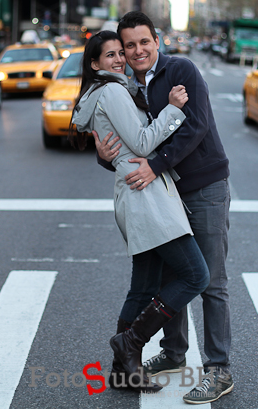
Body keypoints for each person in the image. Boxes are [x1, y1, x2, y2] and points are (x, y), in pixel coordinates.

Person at [93, 11, 233, 404]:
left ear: (157, 41)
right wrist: (104, 156)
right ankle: (173, 353)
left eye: (144, 42)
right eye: (129, 46)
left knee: (210, 281)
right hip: (163, 194)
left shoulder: (181, 70)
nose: (137, 51)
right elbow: (129, 140)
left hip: (204, 187)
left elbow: (196, 125)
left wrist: (155, 165)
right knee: (175, 277)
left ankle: (219, 369)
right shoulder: (125, 87)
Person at [69, 31, 210, 393]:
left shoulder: (103, 91)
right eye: (111, 55)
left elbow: (123, 144)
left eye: (121, 52)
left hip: (132, 191)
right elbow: (143, 143)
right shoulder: (113, 91)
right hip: (145, 194)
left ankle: (122, 371)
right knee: (196, 275)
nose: (120, 59)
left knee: (144, 286)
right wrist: (173, 109)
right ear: (95, 63)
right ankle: (130, 343)